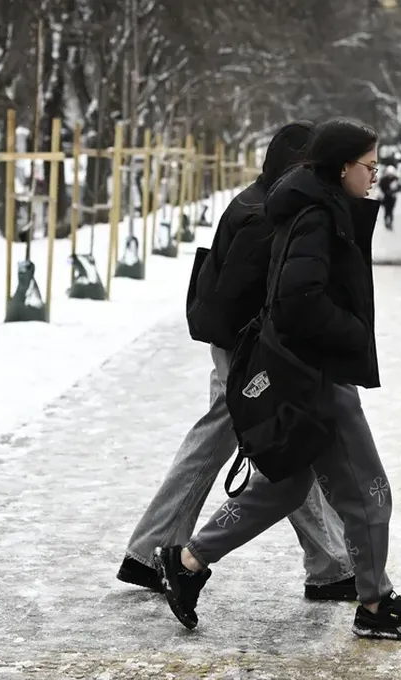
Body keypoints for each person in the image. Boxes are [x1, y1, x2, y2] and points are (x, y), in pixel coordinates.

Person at [154, 117, 401, 642]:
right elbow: (298, 301)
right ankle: (375, 605)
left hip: (303, 373)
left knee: (285, 487)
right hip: (319, 378)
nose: (375, 176)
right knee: (369, 494)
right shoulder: (317, 216)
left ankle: (188, 562)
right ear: (341, 167)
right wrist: (352, 332)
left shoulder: (313, 207)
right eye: (369, 167)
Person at [117, 120, 358, 603]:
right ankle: (329, 567)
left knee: (272, 447)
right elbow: (235, 301)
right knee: (283, 448)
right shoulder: (266, 215)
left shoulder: (265, 201)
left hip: (250, 352)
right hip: (253, 355)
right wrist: (260, 363)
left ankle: (149, 555)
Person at [377, 165, 401, 231]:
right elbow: (380, 186)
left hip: (392, 197)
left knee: (391, 211)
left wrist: (395, 191)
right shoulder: (384, 179)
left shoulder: (395, 179)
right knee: (386, 210)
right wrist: (382, 193)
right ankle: (386, 221)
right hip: (386, 197)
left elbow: (399, 187)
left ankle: (390, 222)